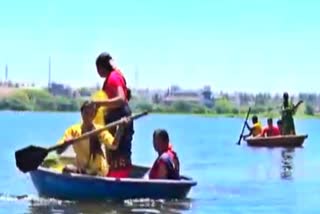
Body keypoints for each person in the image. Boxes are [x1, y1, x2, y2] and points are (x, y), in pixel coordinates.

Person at [56, 101, 129, 176]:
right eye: (86, 113)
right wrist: (66, 143)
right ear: (81, 113)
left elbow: (114, 145)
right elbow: (58, 151)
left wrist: (120, 128)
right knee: (67, 169)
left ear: (94, 115)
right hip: (82, 169)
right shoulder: (73, 130)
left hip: (98, 171)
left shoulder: (99, 130)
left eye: (91, 114)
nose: (88, 116)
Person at [93, 52, 134, 178]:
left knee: (119, 151)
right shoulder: (115, 74)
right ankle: (114, 175)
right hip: (117, 117)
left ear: (100, 67)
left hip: (121, 119)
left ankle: (118, 178)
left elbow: (121, 99)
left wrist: (99, 103)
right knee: (114, 151)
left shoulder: (113, 77)